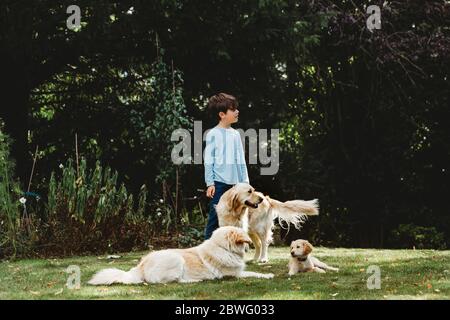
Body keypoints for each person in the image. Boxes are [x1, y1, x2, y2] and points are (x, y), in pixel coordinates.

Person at [203, 93, 249, 239]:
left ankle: (234, 249)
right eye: (233, 109)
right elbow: (208, 160)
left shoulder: (235, 134)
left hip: (236, 186)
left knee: (237, 218)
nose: (237, 111)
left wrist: (245, 183)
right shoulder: (212, 134)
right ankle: (206, 250)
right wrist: (210, 183)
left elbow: (241, 160)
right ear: (222, 114)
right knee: (215, 218)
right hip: (219, 184)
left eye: (236, 109)